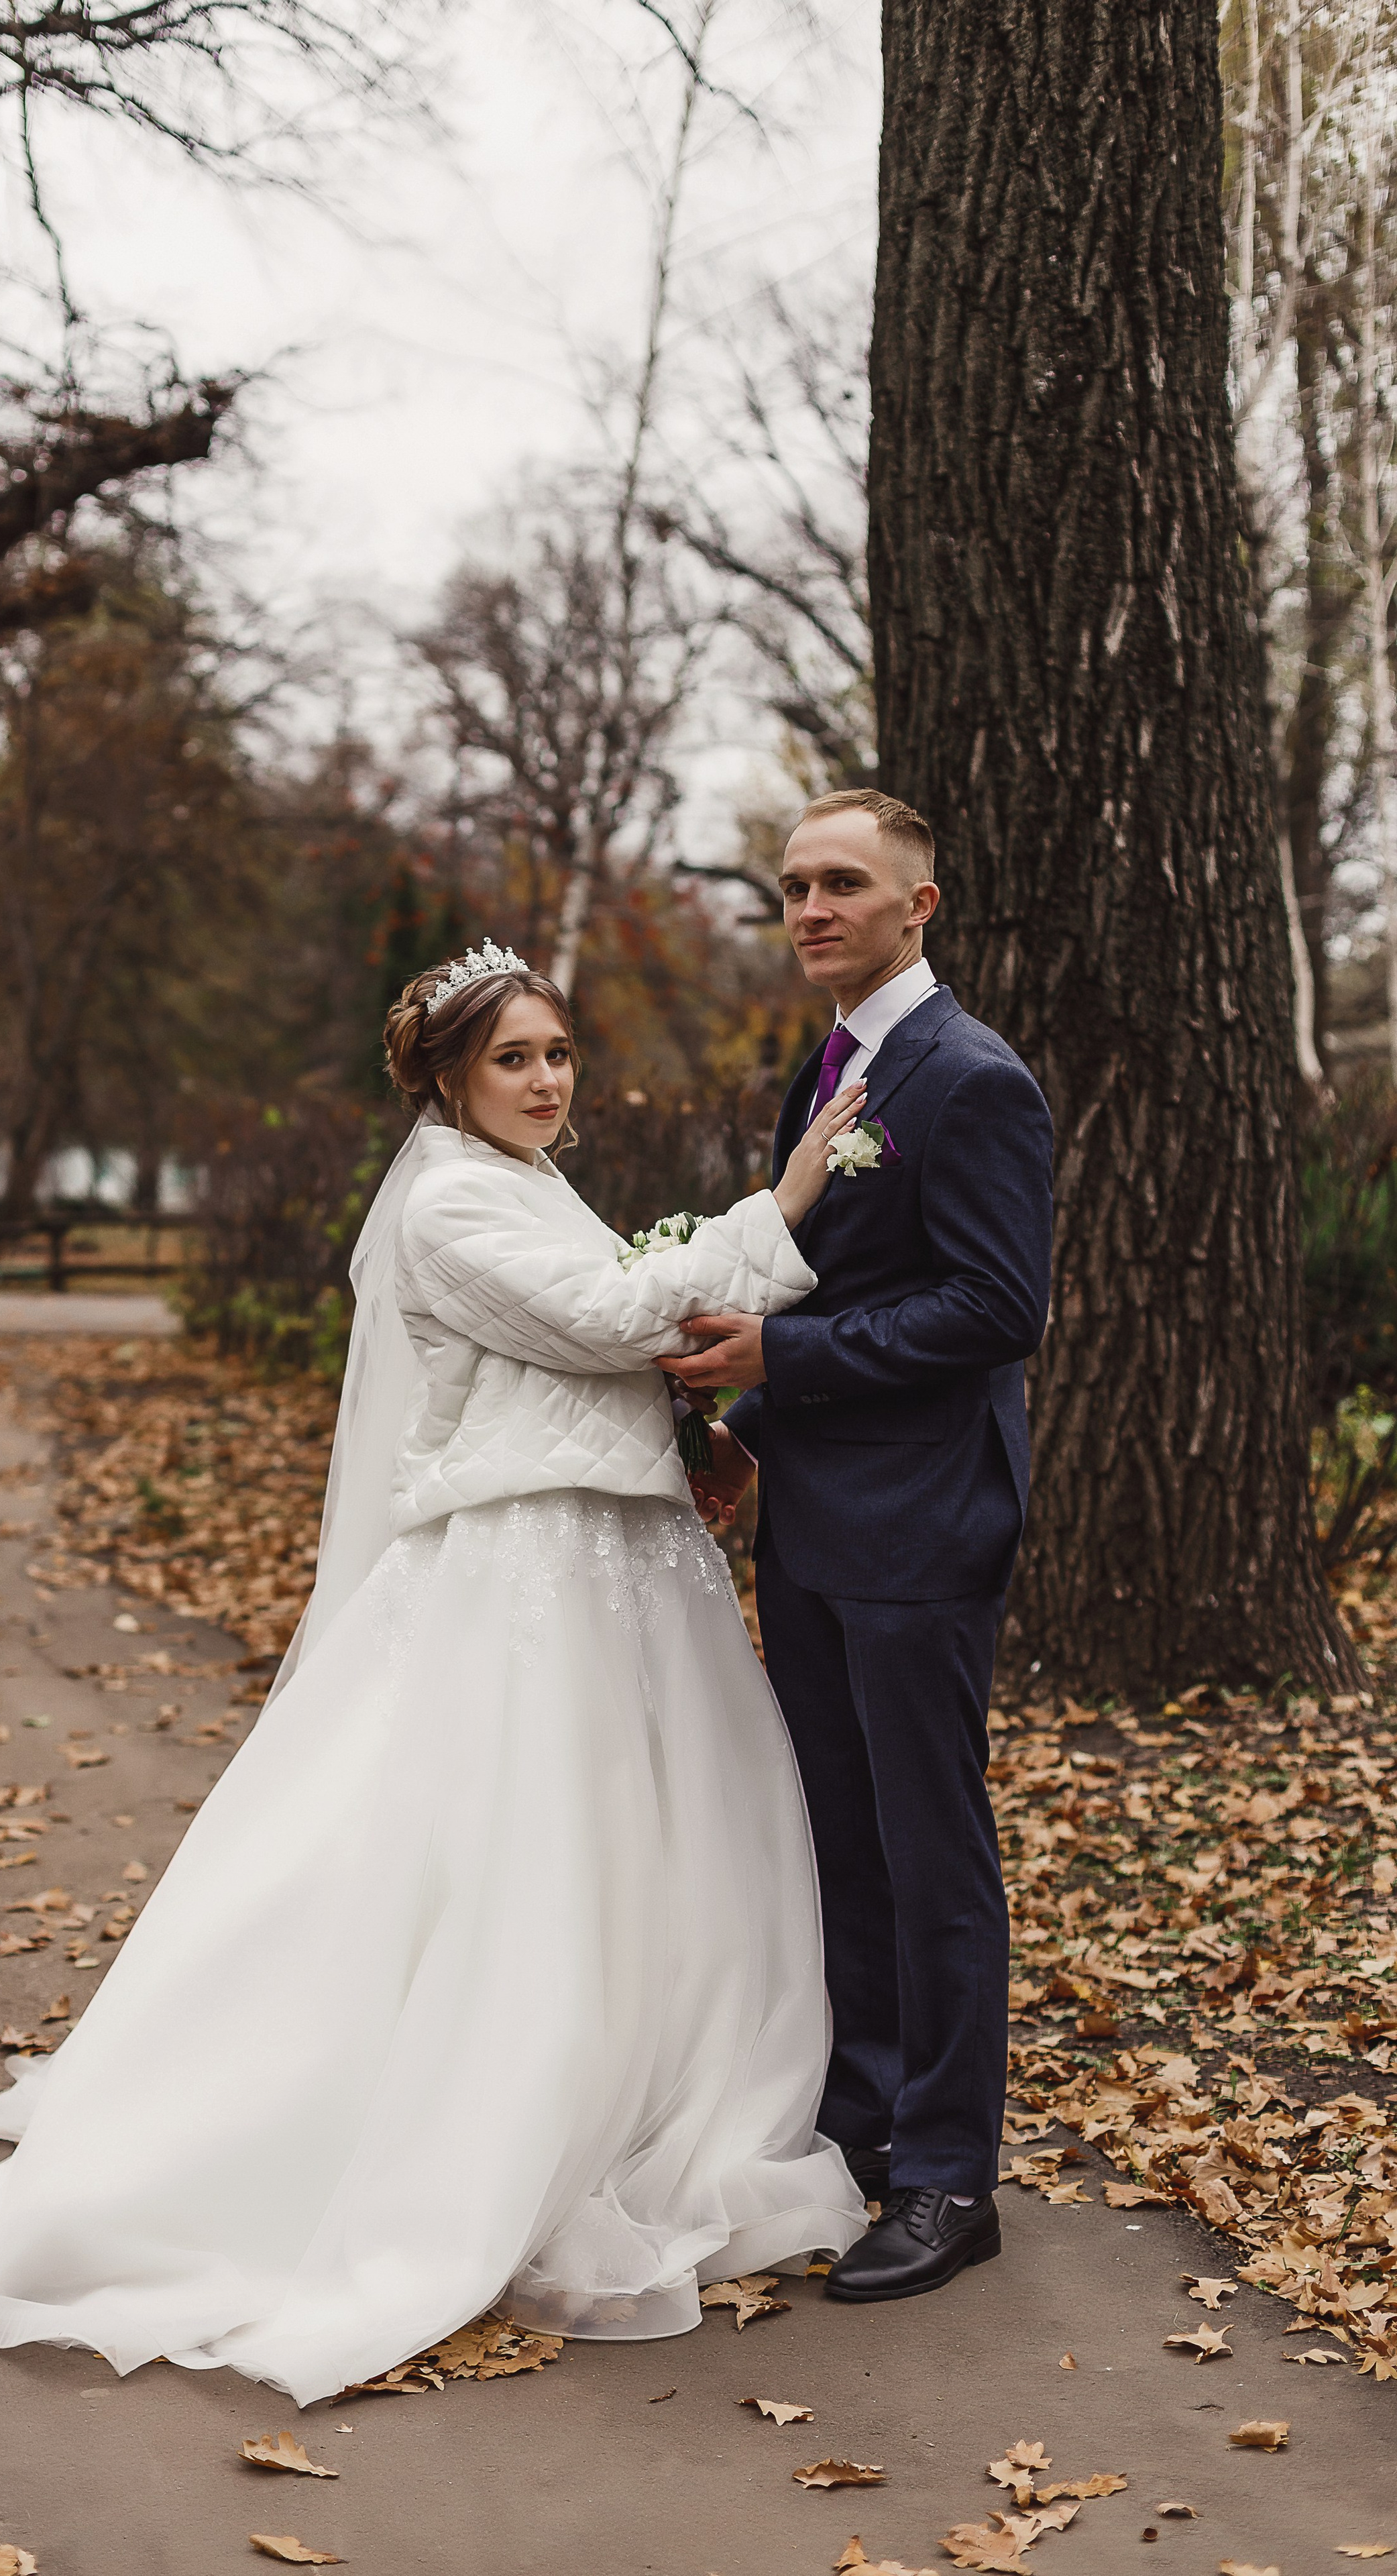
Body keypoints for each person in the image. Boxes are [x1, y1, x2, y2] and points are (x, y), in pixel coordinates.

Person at [0, 944, 869, 2407]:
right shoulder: (451, 1198)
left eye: (557, 1052)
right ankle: (466, 2125)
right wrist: (778, 1209)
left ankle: (651, 2099)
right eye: (513, 1057)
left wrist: (690, 1430)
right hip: (523, 1573)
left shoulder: (524, 1185)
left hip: (615, 1558)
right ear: (451, 1075)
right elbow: (599, 1319)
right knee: (517, 1859)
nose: (544, 1078)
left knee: (650, 1850)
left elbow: (587, 1345)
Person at [670, 789, 1054, 2304]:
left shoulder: (968, 1080)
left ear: (920, 904)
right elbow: (826, 1270)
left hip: (922, 1520)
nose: (811, 908)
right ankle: (868, 2125)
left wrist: (781, 1358)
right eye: (791, 887)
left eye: (842, 883)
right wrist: (748, 1429)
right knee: (840, 1833)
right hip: (818, 1515)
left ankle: (952, 2175)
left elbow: (991, 1309)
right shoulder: (829, 1065)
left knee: (928, 1844)